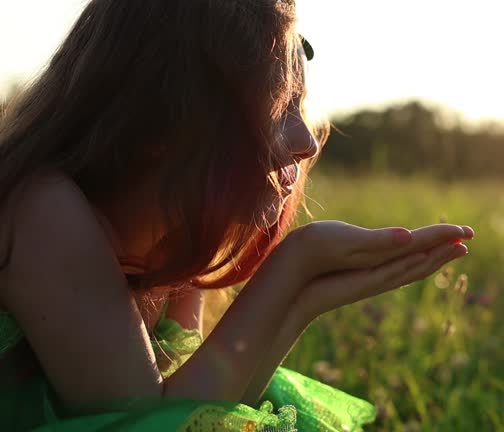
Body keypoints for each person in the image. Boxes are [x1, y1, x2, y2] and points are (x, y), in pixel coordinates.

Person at [0, 1, 474, 431]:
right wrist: (294, 265)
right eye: (279, 108)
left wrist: (304, 300)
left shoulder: (170, 239)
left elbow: (209, 410)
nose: (307, 143)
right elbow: (150, 425)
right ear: (172, 118)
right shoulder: (43, 209)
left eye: (300, 107)